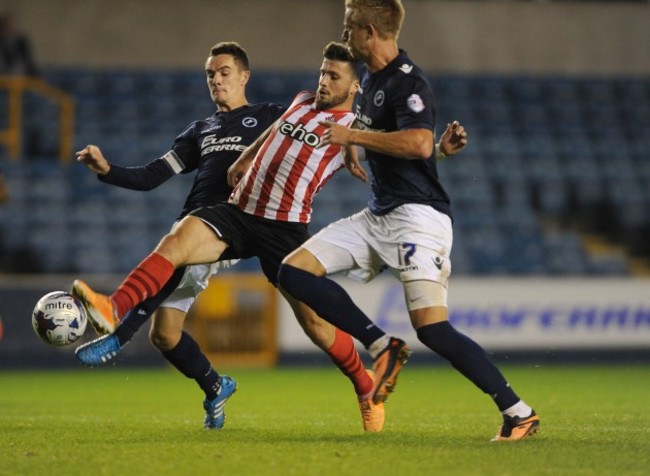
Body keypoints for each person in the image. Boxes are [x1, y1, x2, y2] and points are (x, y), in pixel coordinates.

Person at [71, 40, 464, 433]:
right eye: (322, 73)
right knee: (175, 243)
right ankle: (114, 307)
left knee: (316, 327)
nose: (324, 81)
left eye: (334, 76)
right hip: (238, 211)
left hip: (284, 229)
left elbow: (397, 155)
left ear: (355, 85)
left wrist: (439, 153)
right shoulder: (297, 101)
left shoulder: (355, 128)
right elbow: (273, 131)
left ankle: (364, 387)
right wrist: (245, 157)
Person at [277, 0, 539, 442]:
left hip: (418, 219)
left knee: (433, 329)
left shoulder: (408, 81)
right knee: (292, 271)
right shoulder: (375, 80)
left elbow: (415, 143)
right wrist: (435, 150)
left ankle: (519, 413)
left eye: (350, 28)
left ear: (372, 31)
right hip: (379, 215)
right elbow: (417, 148)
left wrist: (353, 136)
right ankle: (383, 345)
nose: (345, 35)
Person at [0, 12, 38, 76]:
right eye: (6, 25)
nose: (9, 28)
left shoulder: (20, 42)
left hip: (20, 77)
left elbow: (28, 61)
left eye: (11, 25)